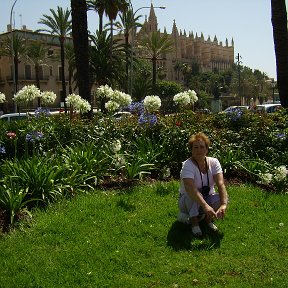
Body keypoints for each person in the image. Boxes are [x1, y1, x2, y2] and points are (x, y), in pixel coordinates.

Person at [177, 132, 228, 237]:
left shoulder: (214, 162)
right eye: (195, 147)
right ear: (191, 150)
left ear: (207, 149)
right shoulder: (187, 165)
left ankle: (207, 220)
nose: (199, 150)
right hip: (188, 200)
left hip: (207, 197)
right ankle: (194, 223)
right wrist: (205, 206)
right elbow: (190, 188)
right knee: (191, 194)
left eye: (201, 147)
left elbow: (220, 184)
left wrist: (223, 205)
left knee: (221, 198)